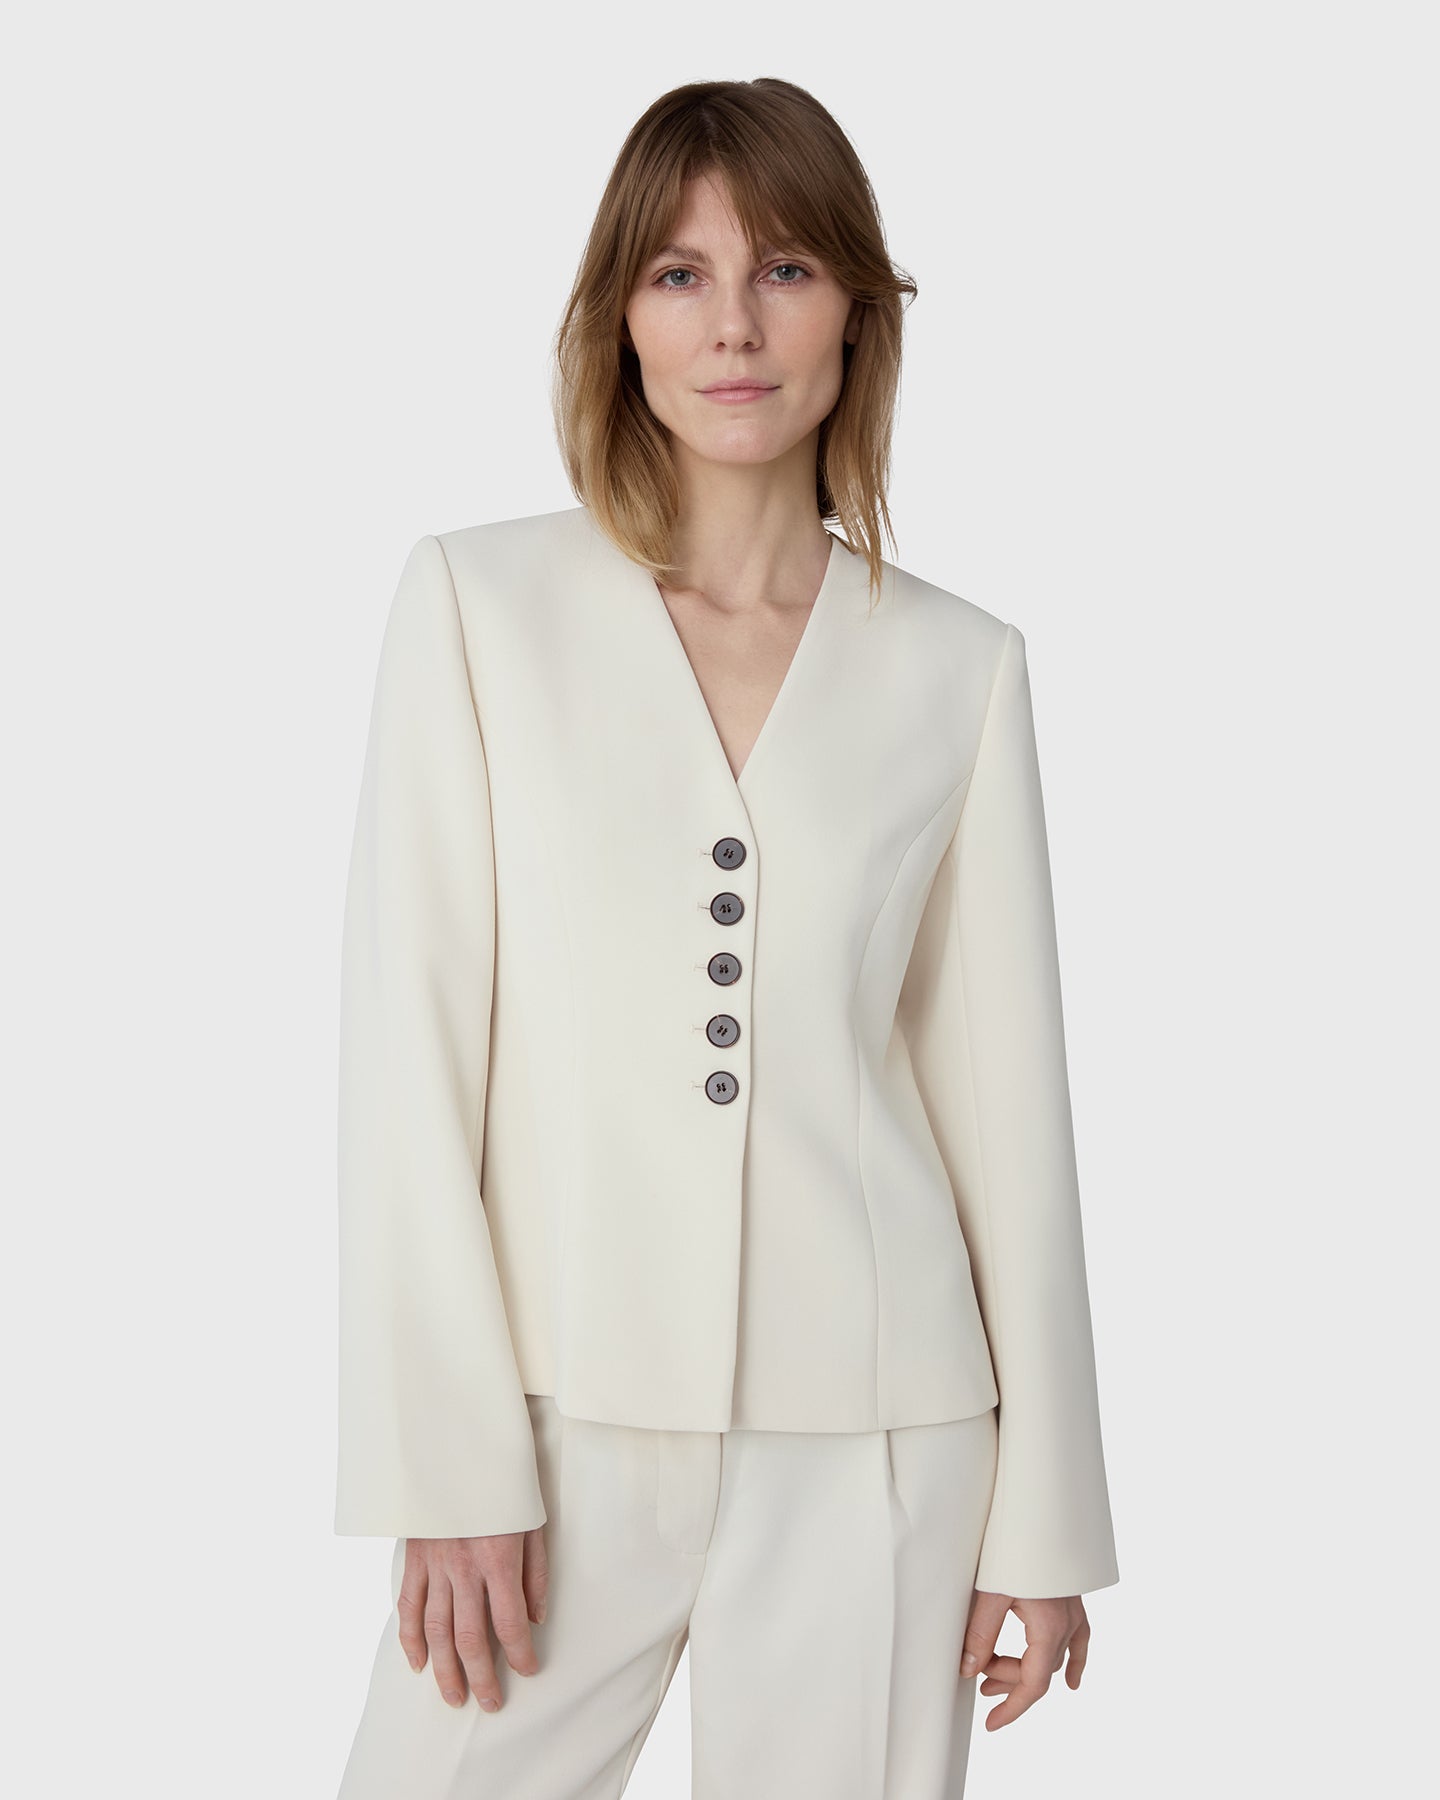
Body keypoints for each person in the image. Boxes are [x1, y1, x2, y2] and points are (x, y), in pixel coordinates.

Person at [333, 76, 1119, 1800]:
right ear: (620, 316)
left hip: (883, 1438)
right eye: (680, 275)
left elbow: (1007, 1116)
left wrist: (1045, 1511)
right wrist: (444, 1467)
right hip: (556, 1427)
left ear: (857, 309)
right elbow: (411, 1054)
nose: (734, 327)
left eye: (784, 269)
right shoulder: (479, 607)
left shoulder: (960, 667)